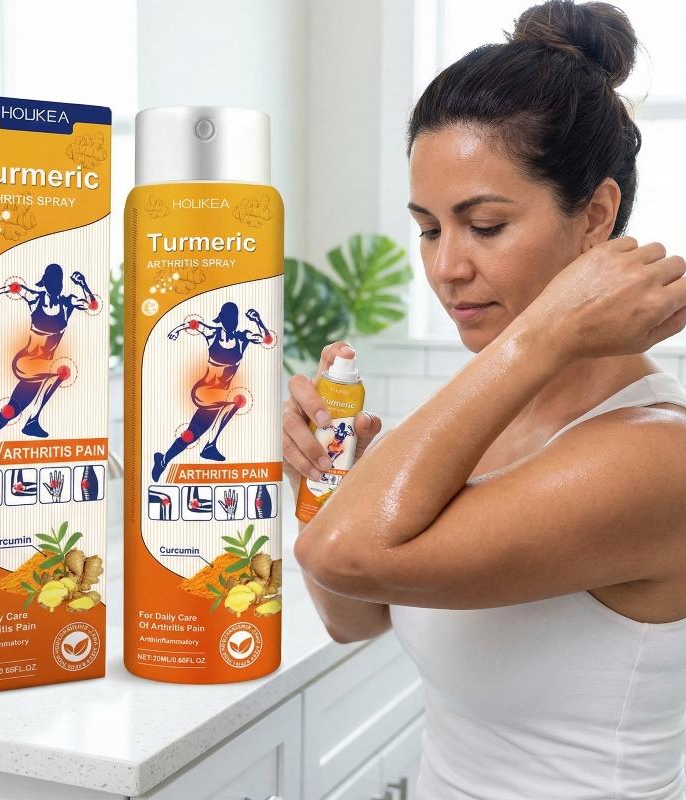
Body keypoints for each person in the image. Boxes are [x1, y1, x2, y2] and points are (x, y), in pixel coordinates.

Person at [283, 2, 686, 797]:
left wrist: (540, 336)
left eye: (486, 226)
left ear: (595, 216)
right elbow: (353, 614)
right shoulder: (497, 410)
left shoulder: (653, 455)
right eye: (430, 229)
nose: (446, 268)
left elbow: (340, 554)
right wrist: (325, 478)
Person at [0, 263, 96, 464]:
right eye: (52, 281)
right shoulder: (36, 299)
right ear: (45, 282)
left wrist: (83, 284)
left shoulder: (67, 303)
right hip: (25, 362)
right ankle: (32, 421)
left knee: (11, 410)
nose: (56, 286)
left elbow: (92, 306)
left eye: (58, 282)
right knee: (61, 371)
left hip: (41, 372)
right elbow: (16, 288)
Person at [152, 301, 272, 482]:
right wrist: (176, 330)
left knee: (190, 435)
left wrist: (258, 320)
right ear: (221, 319)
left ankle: (162, 460)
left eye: (234, 319)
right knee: (238, 398)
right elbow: (195, 324)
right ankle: (210, 446)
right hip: (203, 391)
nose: (231, 323)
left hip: (218, 401)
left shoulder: (242, 338)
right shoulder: (212, 334)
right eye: (228, 319)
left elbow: (266, 340)